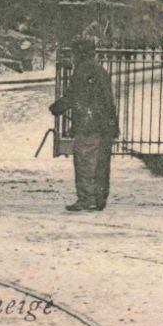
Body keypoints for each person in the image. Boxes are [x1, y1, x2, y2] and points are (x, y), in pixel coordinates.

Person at [48, 39, 118, 212]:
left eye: (74, 53)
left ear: (79, 53)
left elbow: (74, 96)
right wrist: (112, 124)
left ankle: (87, 199)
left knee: (85, 162)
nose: (72, 57)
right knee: (101, 163)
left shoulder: (83, 71)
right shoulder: (100, 71)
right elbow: (108, 101)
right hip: (102, 124)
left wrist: (57, 107)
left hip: (89, 124)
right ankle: (99, 198)